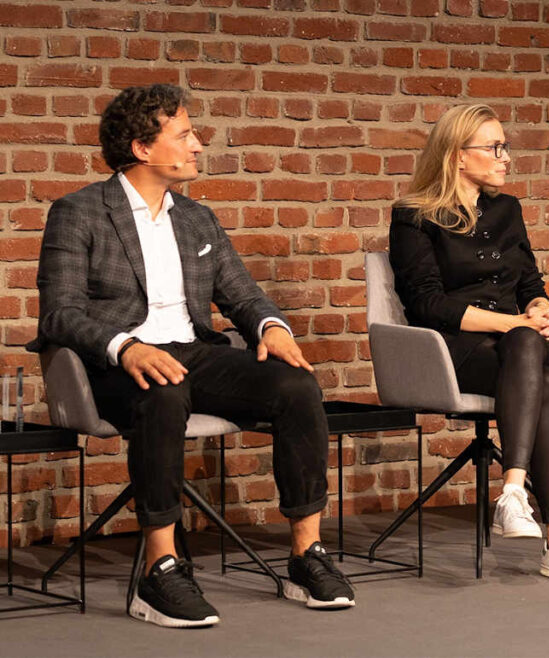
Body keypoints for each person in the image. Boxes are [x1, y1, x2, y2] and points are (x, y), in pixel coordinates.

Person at [30, 84, 354, 626]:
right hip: (115, 362)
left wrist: (272, 327)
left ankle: (306, 554)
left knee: (295, 385)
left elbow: (243, 295)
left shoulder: (196, 218)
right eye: (183, 134)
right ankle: (159, 569)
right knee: (163, 388)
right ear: (141, 148)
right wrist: (127, 346)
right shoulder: (79, 211)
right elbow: (59, 313)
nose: (198, 145)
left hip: (191, 350)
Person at [388, 104, 549, 585]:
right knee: (543, 378)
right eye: (494, 147)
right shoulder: (414, 216)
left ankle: (512, 493)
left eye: (504, 147)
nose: (505, 157)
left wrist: (539, 308)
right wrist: (513, 323)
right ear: (457, 155)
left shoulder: (507, 209)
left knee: (536, 359)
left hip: (515, 347)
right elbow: (426, 304)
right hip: (451, 351)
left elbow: (530, 279)